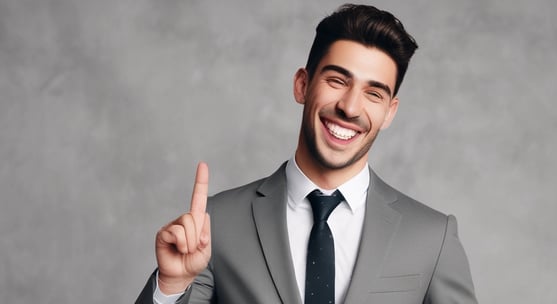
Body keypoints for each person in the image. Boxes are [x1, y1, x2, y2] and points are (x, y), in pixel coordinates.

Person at [136, 4, 477, 304]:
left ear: (389, 112)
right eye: (337, 80)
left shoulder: (433, 237)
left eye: (374, 94)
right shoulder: (217, 223)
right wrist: (172, 286)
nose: (349, 107)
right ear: (302, 84)